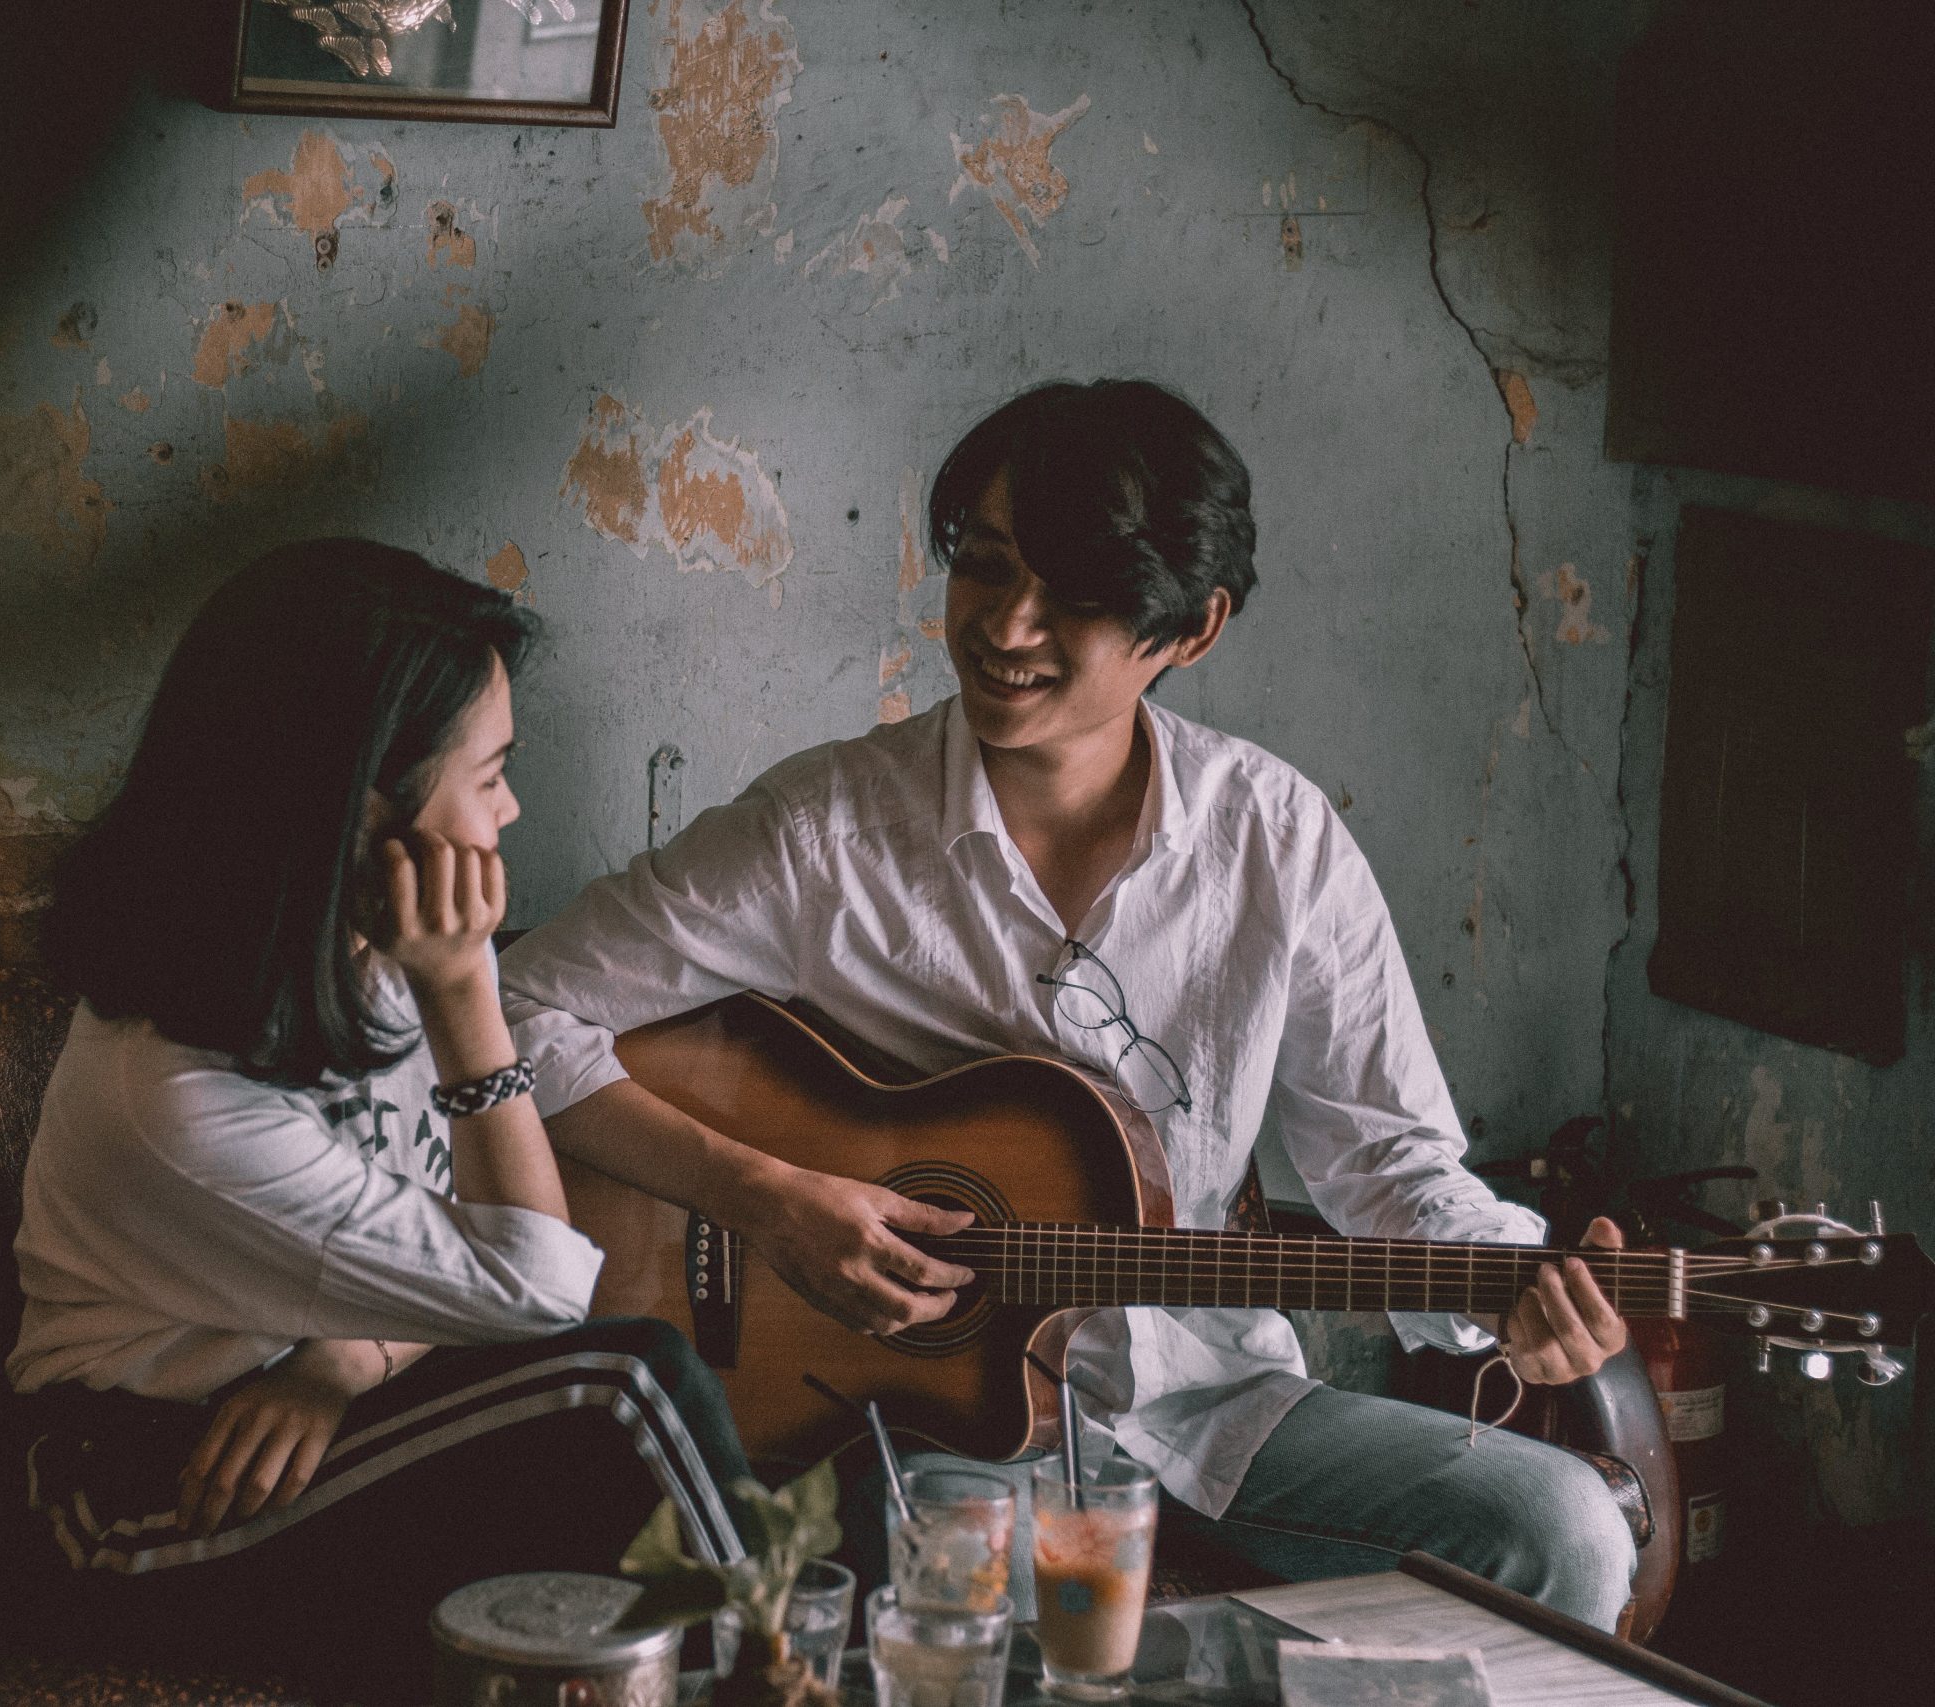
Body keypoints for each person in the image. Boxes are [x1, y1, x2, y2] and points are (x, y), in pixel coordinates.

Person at [500, 382, 1639, 1629]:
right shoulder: (826, 833)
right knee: (992, 1629)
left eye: (1079, 599)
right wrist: (769, 1203)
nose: (1007, 626)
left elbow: (1387, 1163)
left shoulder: (1275, 838)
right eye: (985, 568)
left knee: (1559, 1529)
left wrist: (1504, 1283)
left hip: (1219, 1409)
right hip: (930, 1431)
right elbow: (517, 1012)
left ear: (1189, 630)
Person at [7, 539, 748, 1697]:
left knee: (849, 1485)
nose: (513, 807)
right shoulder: (171, 1100)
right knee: (625, 1386)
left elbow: (492, 1252)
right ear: (362, 800)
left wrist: (346, 1356)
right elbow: (541, 1291)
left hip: (340, 1408)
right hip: (157, 1489)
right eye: (490, 769)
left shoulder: (361, 939)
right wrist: (464, 993)